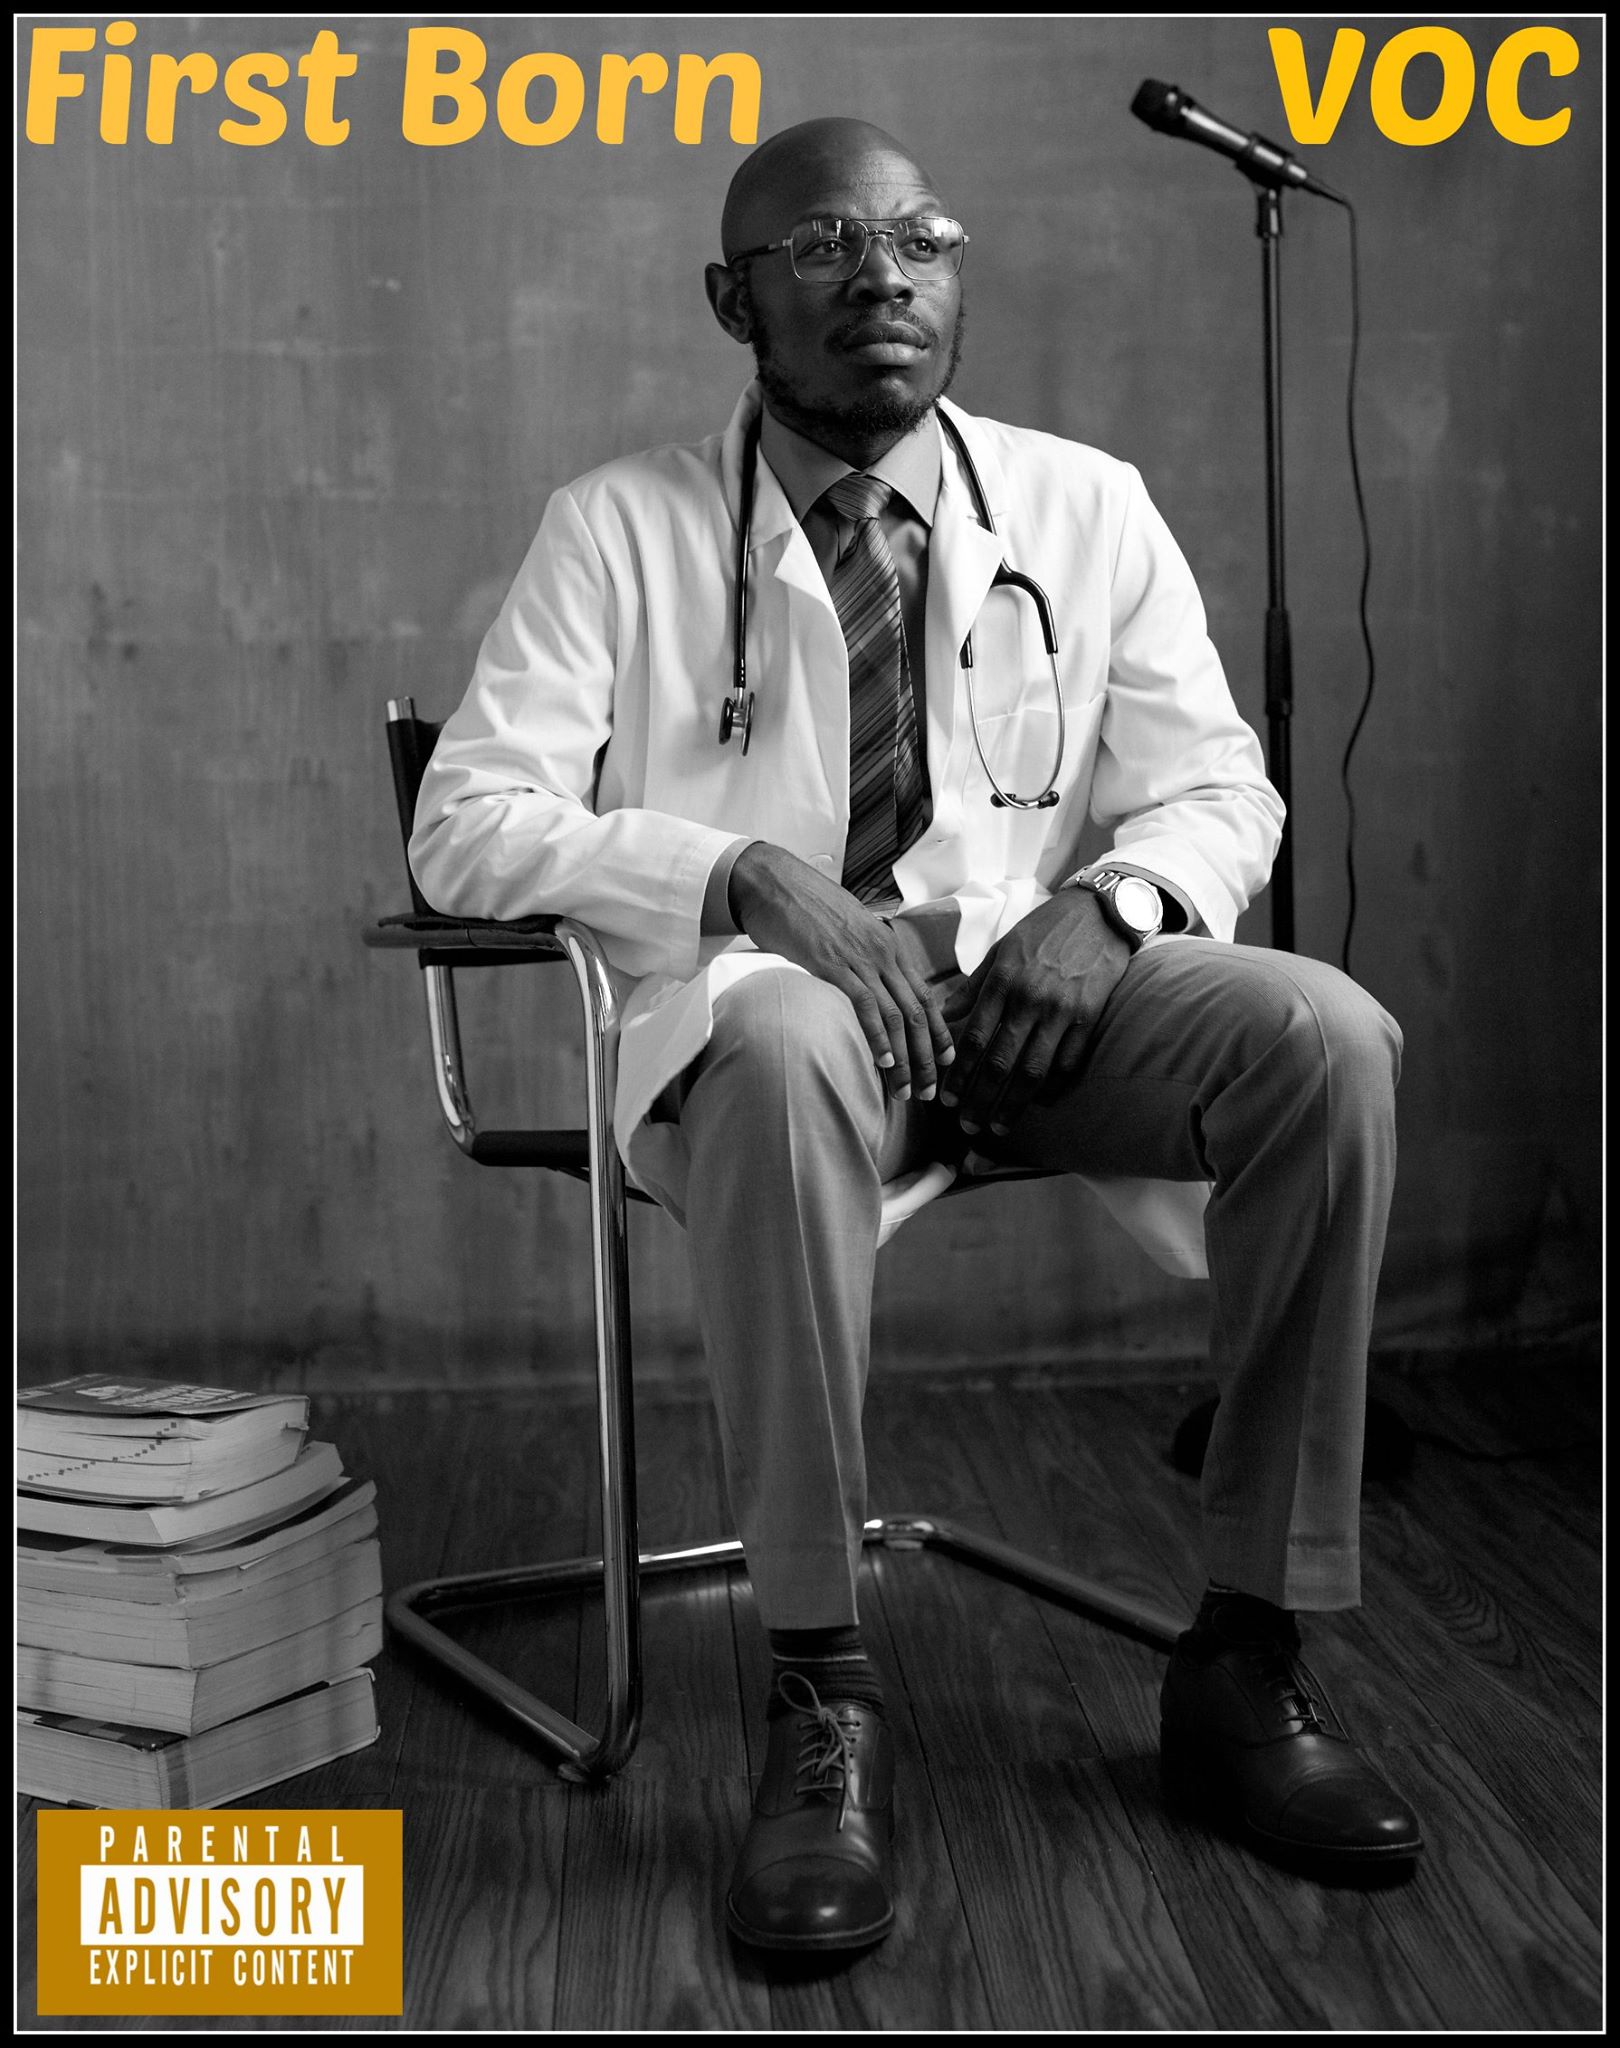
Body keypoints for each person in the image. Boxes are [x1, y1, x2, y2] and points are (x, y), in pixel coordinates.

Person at [410, 115, 1423, 1955]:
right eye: (823, 247)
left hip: (1038, 1008)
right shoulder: (617, 526)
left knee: (1327, 1041)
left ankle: (1247, 1651)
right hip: (777, 1035)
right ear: (732, 301)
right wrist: (738, 878)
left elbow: (1219, 790)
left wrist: (1114, 908)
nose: (883, 277)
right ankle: (820, 1690)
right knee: (785, 1043)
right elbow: (465, 824)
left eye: (922, 241)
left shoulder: (1084, 504)